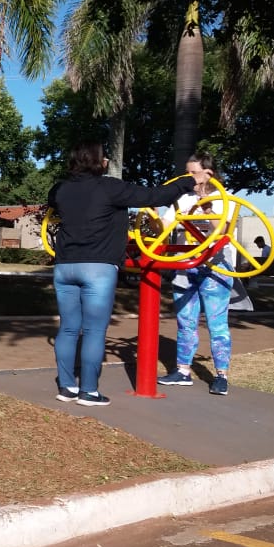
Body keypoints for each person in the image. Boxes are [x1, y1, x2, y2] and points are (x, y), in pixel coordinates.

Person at [48, 143, 196, 406]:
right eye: (104, 157)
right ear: (99, 161)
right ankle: (89, 392)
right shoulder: (110, 187)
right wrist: (187, 181)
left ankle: (67, 387)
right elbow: (155, 196)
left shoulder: (60, 189)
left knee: (68, 328)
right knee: (94, 331)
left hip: (64, 266)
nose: (107, 161)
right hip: (98, 268)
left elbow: (54, 203)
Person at [157, 152, 249, 396]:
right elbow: (164, 226)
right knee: (185, 321)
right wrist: (153, 216)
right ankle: (182, 370)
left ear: (209, 173)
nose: (189, 177)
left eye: (193, 172)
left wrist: (207, 209)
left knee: (217, 323)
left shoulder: (225, 198)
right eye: (186, 172)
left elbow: (224, 231)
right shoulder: (183, 198)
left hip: (215, 265)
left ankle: (221, 375)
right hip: (185, 263)